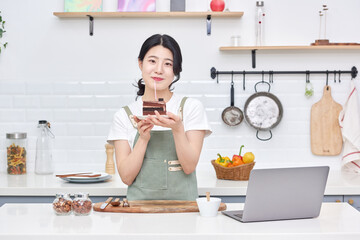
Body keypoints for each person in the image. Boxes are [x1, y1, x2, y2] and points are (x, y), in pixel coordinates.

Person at [107, 34, 211, 201]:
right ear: (141, 64)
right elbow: (126, 177)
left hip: (183, 213)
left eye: (168, 64)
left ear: (175, 70)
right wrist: (143, 139)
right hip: (138, 215)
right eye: (152, 61)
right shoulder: (124, 115)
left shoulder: (191, 108)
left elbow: (189, 166)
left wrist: (178, 130)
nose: (159, 70)